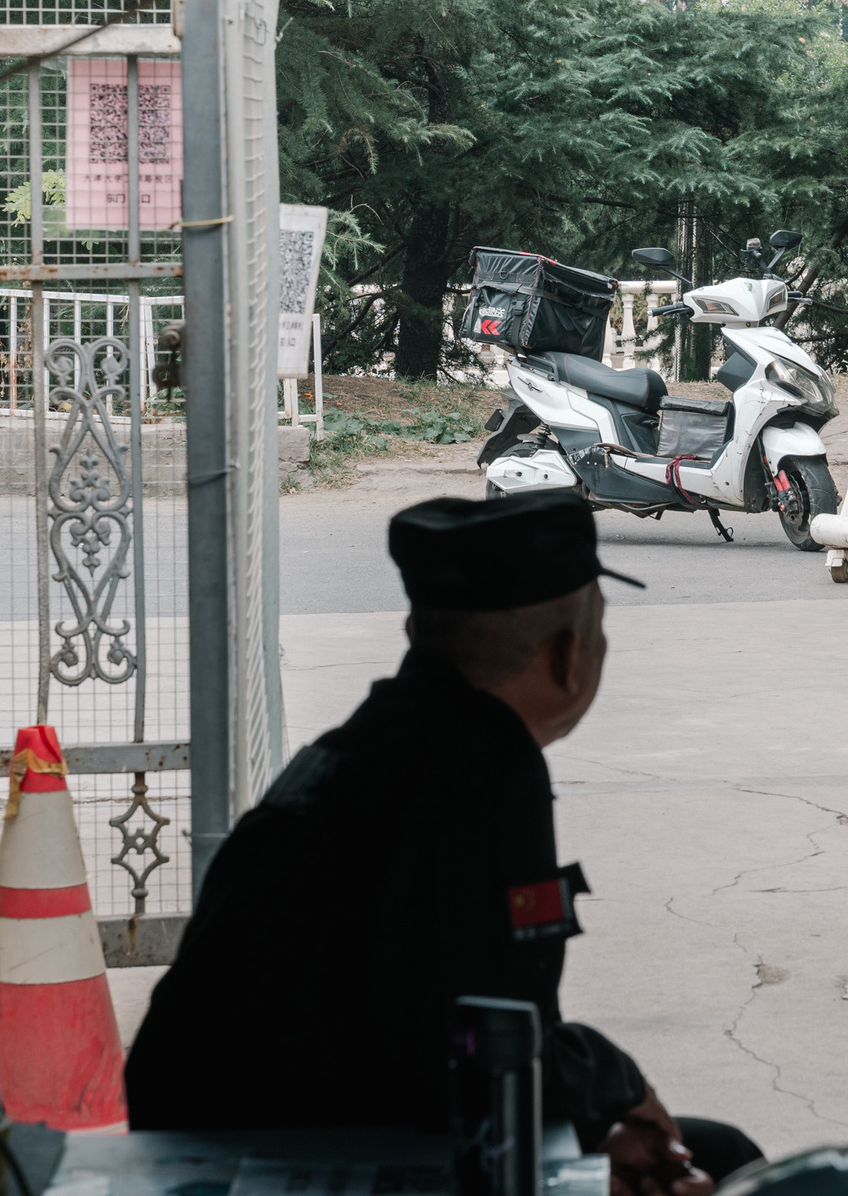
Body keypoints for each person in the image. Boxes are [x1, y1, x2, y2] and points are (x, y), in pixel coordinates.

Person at [125, 492, 760, 1193]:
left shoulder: (363, 746)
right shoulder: (486, 773)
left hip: (222, 1138)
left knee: (707, 1146)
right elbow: (464, 1045)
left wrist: (594, 1108)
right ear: (568, 654)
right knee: (719, 1163)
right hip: (310, 1156)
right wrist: (612, 1082)